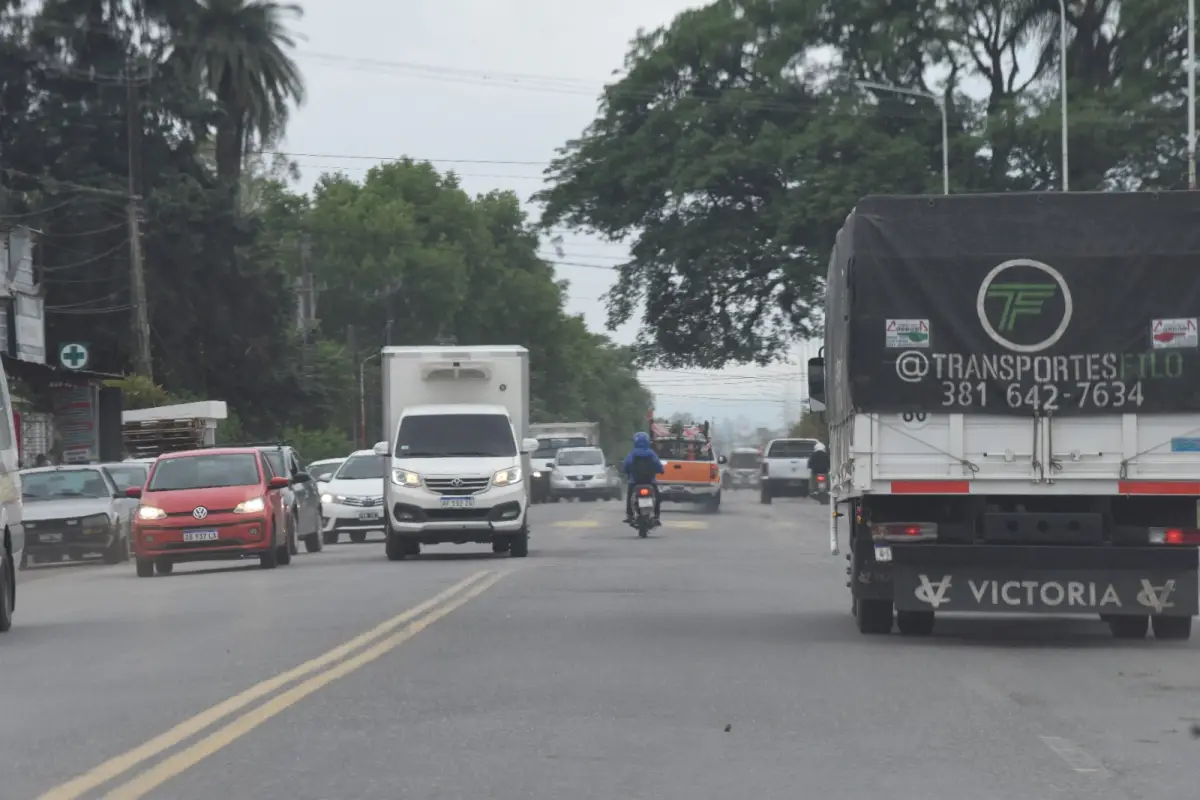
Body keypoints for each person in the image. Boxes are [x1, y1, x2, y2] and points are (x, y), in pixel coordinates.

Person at [622, 431, 665, 523]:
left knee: (629, 497)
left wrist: (624, 471)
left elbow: (626, 465)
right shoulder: (651, 453)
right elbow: (658, 465)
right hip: (650, 481)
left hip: (634, 482)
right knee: (657, 497)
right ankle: (656, 516)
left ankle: (630, 515)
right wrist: (661, 470)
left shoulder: (632, 453)